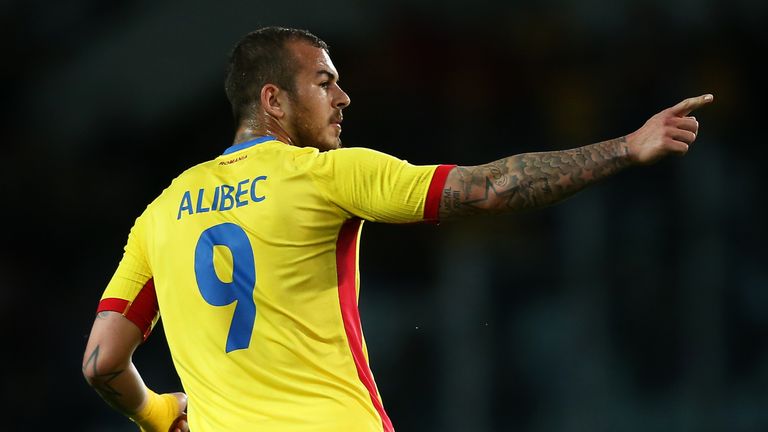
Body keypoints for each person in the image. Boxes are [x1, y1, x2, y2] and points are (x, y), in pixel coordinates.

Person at [82, 26, 713, 432]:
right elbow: (487, 189)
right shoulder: (324, 176)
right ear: (272, 100)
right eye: (325, 83)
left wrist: (158, 412)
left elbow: (102, 361)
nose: (344, 98)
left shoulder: (163, 213)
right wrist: (626, 149)